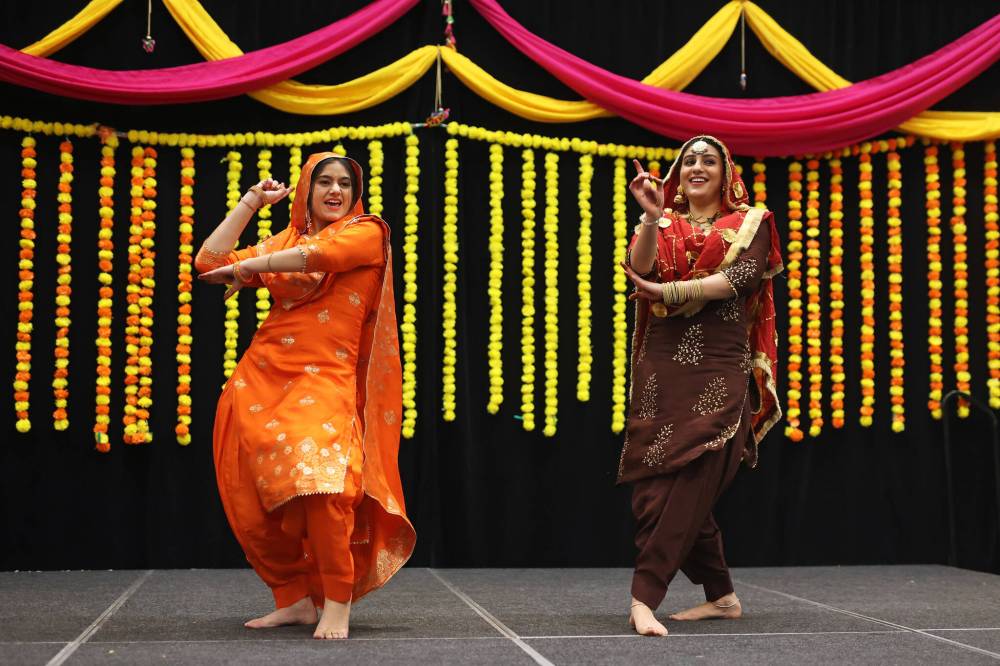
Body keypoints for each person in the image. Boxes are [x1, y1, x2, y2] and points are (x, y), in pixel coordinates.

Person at [195, 152, 415, 640]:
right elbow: (208, 262)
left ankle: (336, 600)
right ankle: (293, 599)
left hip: (324, 378)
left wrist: (249, 268)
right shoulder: (286, 238)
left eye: (344, 183)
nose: (335, 191)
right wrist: (252, 201)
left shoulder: (367, 232)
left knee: (324, 485)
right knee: (250, 494)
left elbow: (320, 258)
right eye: (323, 182)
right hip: (261, 375)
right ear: (305, 191)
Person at [619, 136, 782, 636]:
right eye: (688, 160)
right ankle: (722, 596)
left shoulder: (752, 222)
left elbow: (742, 279)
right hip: (661, 368)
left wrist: (670, 292)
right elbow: (640, 268)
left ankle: (644, 596)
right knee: (652, 490)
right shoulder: (662, 224)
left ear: (725, 173)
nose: (696, 166)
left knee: (691, 483)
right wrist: (649, 217)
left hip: (718, 366)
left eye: (708, 160)